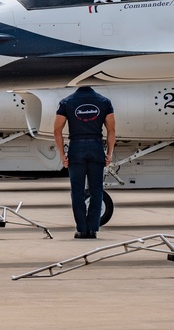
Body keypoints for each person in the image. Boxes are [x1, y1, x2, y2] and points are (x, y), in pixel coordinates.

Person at [54, 87, 115, 239]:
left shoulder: (67, 102)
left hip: (76, 147)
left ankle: (81, 229)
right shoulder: (104, 101)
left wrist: (62, 155)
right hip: (96, 146)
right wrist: (109, 153)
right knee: (96, 189)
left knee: (77, 190)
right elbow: (111, 130)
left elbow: (57, 130)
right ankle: (93, 228)